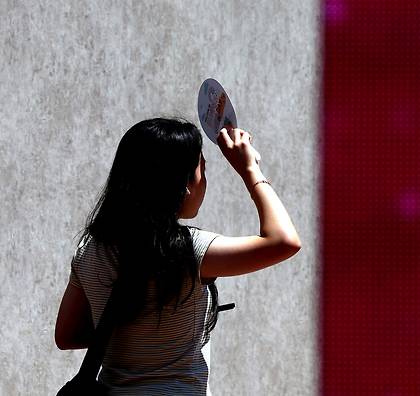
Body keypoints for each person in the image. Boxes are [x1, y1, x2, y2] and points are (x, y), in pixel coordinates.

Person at [55, 118, 301, 395]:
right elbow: (284, 241)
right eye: (202, 171)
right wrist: (249, 170)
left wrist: (139, 330)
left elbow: (67, 335)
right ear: (183, 185)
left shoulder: (90, 249)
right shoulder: (190, 252)